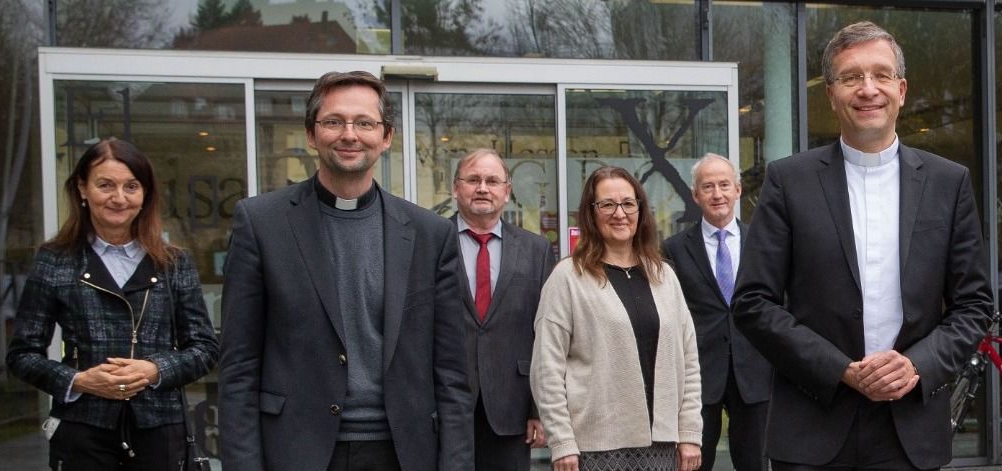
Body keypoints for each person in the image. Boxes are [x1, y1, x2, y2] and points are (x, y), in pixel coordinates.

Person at [732, 20, 992, 471]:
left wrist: (916, 365)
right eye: (851, 77)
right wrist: (840, 370)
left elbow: (975, 303)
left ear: (902, 89)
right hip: (812, 424)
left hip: (910, 428)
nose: (868, 89)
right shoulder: (788, 181)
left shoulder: (949, 183)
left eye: (881, 75)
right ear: (830, 94)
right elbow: (753, 302)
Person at [218, 70, 473, 471]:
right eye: (334, 121)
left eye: (365, 123)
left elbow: (453, 373)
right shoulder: (261, 223)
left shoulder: (429, 234)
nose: (349, 134)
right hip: (297, 450)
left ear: (386, 137)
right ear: (311, 133)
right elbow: (238, 368)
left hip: (404, 452)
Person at [6, 138, 219, 470]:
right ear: (82, 189)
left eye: (131, 186)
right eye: (105, 185)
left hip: (159, 432)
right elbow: (22, 355)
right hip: (83, 433)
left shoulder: (174, 262)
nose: (119, 198)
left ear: (145, 193)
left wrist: (154, 370)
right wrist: (78, 381)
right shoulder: (56, 260)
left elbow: (205, 349)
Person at [532, 166, 703, 471]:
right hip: (593, 449)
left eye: (628, 203)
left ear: (640, 209)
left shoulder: (664, 276)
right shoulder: (568, 278)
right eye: (607, 204)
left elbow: (689, 361)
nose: (619, 213)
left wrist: (689, 432)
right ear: (591, 213)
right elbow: (547, 368)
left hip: (662, 448)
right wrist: (561, 441)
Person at [451, 149, 560, 471]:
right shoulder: (431, 241)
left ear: (507, 191)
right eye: (473, 180)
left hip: (512, 406)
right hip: (447, 404)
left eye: (492, 181)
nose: (482, 188)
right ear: (456, 188)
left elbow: (545, 334)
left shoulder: (536, 249)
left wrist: (538, 410)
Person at [663, 154, 771, 471]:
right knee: (694, 463)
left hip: (755, 372)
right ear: (695, 195)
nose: (717, 194)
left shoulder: (764, 242)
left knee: (755, 463)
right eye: (707, 187)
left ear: (738, 190)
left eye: (724, 185)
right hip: (699, 375)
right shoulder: (675, 248)